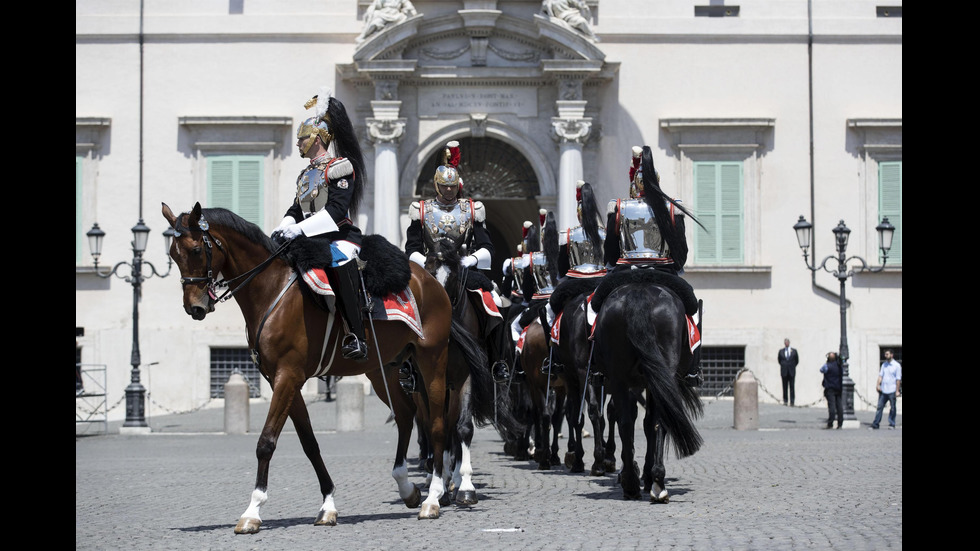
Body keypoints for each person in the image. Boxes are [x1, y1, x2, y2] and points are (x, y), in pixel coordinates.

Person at [272, 89, 369, 360]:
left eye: (302, 138)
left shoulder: (339, 167)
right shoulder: (306, 175)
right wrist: (284, 226)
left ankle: (357, 335)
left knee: (341, 263)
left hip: (339, 236)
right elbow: (296, 208)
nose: (298, 143)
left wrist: (299, 229)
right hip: (308, 238)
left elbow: (337, 211)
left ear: (316, 138)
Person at [404, 140, 509, 383]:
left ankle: (497, 361)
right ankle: (407, 364)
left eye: (452, 187)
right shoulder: (421, 210)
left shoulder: (472, 209)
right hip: (431, 270)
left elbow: (487, 247)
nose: (449, 191)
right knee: (406, 303)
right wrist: (428, 263)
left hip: (462, 269)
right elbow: (411, 248)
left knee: (494, 299)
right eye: (445, 186)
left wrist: (470, 260)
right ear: (436, 185)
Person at [602, 145, 702, 386]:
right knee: (692, 311)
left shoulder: (619, 208)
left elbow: (610, 252)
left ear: (635, 186)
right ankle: (692, 369)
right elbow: (681, 253)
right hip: (664, 274)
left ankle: (597, 365)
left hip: (625, 274)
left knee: (595, 309)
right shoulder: (671, 208)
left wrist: (614, 267)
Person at [870, 349, 902, 430]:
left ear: (892, 355)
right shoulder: (884, 365)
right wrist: (877, 385)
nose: (885, 356)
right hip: (884, 390)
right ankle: (876, 423)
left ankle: (892, 423)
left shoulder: (896, 365)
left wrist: (897, 390)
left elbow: (898, 379)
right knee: (879, 407)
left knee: (893, 408)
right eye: (885, 354)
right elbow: (880, 376)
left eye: (887, 354)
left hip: (892, 389)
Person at [820, 352, 843, 429]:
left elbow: (821, 370)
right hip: (838, 387)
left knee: (832, 406)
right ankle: (840, 423)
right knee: (839, 405)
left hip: (830, 388)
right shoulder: (839, 366)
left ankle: (831, 422)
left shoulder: (827, 366)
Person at [778, 338, 799, 406]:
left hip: (791, 371)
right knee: (784, 386)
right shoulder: (781, 351)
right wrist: (784, 365)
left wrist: (792, 366)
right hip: (784, 371)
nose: (786, 343)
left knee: (792, 386)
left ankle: (792, 401)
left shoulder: (794, 351)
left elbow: (797, 361)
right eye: (785, 342)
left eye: (787, 342)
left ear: (789, 343)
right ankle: (785, 400)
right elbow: (779, 360)